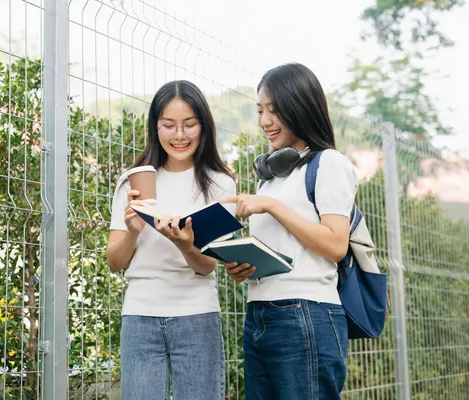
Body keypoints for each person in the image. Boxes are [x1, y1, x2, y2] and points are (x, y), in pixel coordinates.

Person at [222, 63, 358, 399]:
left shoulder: (328, 164)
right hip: (259, 312)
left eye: (274, 109)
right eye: (259, 110)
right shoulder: (269, 179)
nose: (264, 121)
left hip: (305, 314)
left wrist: (271, 207)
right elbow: (284, 252)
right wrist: (245, 265)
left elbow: (336, 244)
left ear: (300, 107)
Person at [106, 80, 236, 400]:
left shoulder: (220, 184)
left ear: (203, 127)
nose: (179, 136)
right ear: (155, 127)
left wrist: (185, 244)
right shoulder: (133, 180)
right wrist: (134, 229)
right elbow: (114, 261)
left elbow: (208, 267)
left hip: (197, 316)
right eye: (169, 125)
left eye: (189, 125)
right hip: (140, 316)